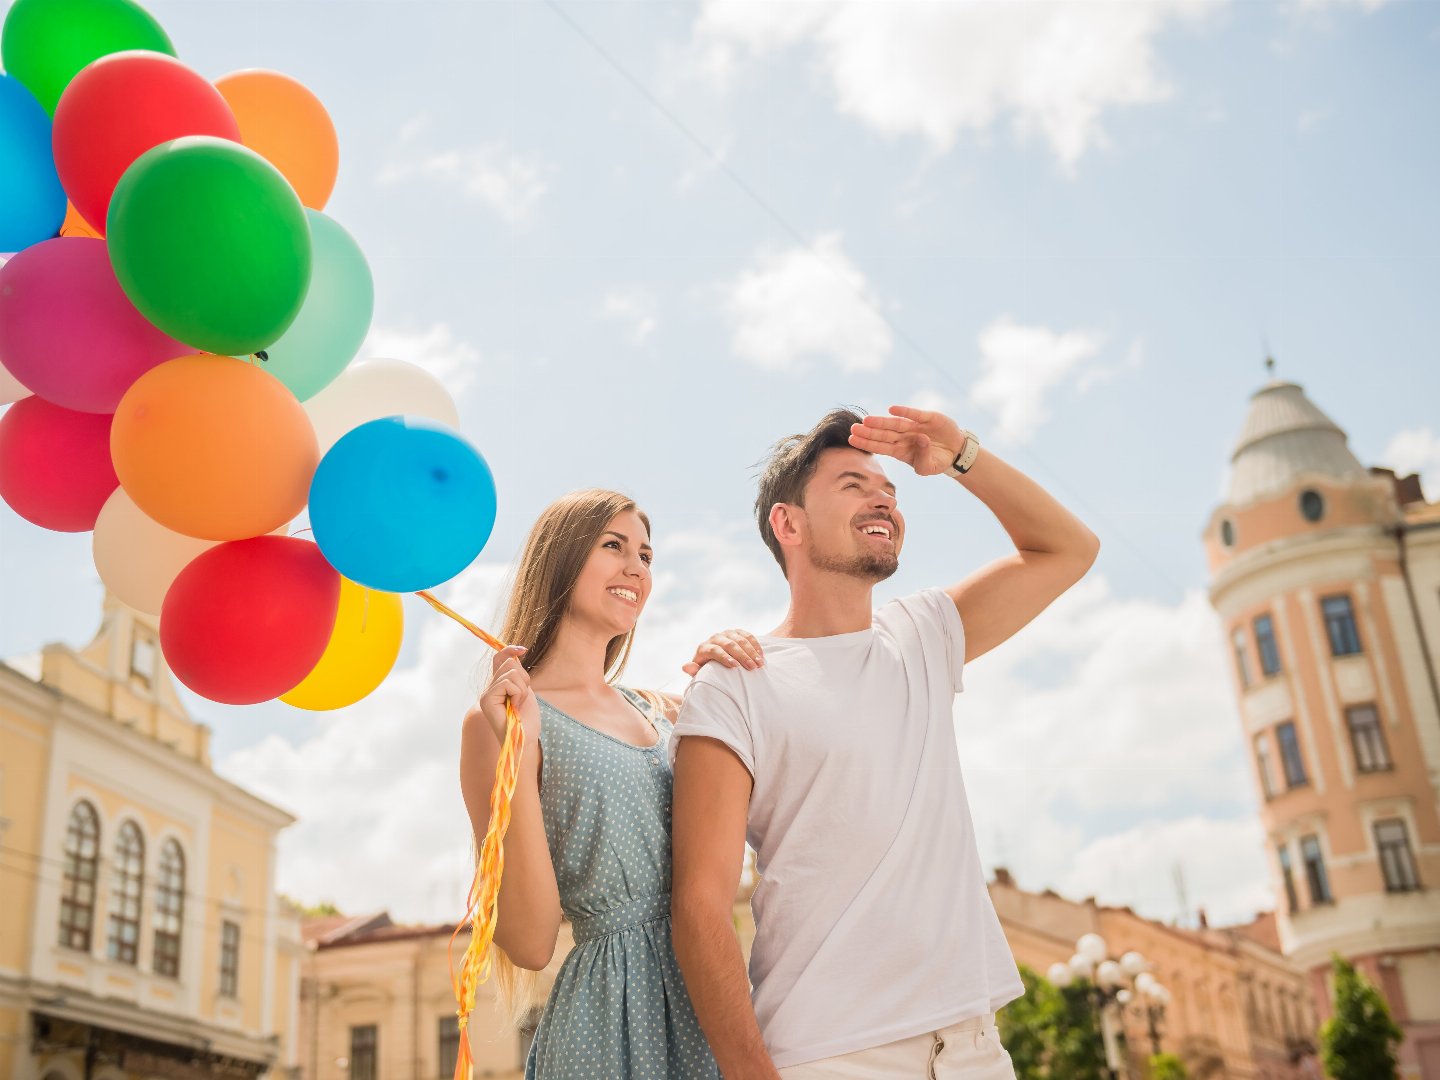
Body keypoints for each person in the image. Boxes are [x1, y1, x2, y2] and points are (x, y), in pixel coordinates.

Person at [670, 405, 1101, 1079]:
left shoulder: (923, 634)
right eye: (852, 484)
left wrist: (961, 457)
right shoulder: (735, 685)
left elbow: (1069, 550)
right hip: (832, 1054)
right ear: (789, 524)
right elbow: (699, 906)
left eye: (890, 490)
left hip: (974, 1049)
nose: (882, 498)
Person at [460, 488, 763, 1080]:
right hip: (608, 1022)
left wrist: (727, 683)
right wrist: (517, 755)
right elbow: (529, 942)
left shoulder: (668, 710)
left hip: (716, 992)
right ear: (562, 559)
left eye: (647, 556)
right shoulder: (496, 720)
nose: (636, 569)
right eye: (614, 546)